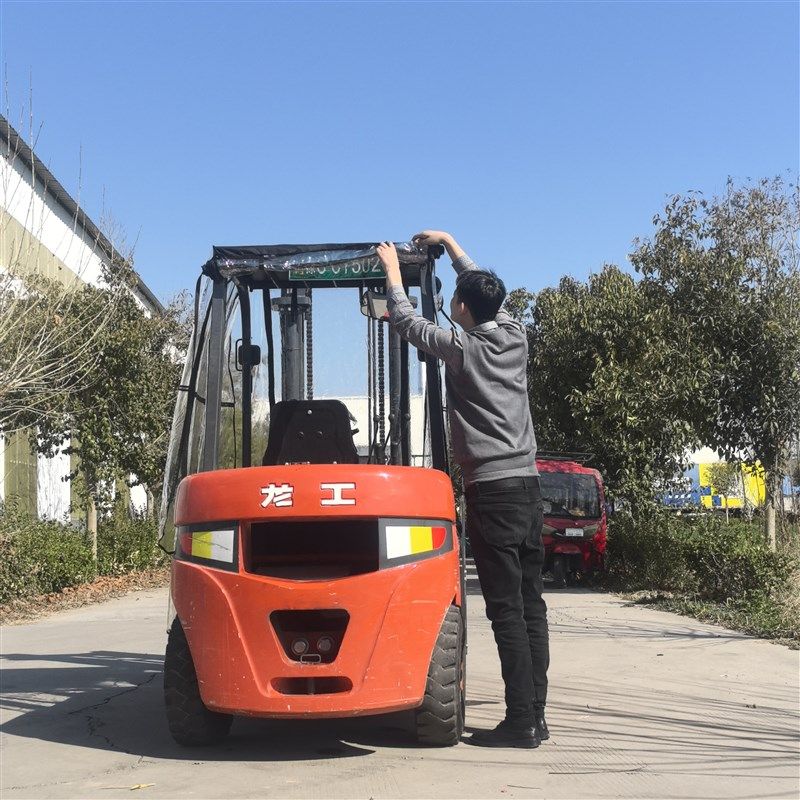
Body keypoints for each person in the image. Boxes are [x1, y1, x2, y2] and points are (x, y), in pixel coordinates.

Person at [376, 232, 549, 750]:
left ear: (465, 311)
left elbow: (409, 323)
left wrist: (391, 271)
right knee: (531, 605)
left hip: (492, 493)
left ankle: (520, 722)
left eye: (456, 301)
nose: (451, 305)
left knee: (507, 612)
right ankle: (537, 715)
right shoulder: (515, 334)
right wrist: (451, 243)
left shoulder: (464, 349)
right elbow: (483, 288)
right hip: (528, 486)